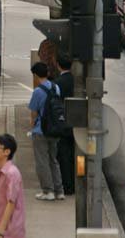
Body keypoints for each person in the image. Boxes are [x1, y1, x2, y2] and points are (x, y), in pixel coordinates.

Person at [28, 61, 64, 201]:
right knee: (53, 160)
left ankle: (47, 191)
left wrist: (32, 127)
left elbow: (34, 113)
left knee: (42, 161)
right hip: (55, 129)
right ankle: (59, 190)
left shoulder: (38, 91)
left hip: (41, 131)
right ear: (48, 73)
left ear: (36, 75)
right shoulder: (56, 88)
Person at [0, 133, 26, 238]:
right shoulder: (3, 172)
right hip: (6, 229)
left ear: (7, 152)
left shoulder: (11, 173)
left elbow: (11, 203)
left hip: (11, 231)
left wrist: (0, 232)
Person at [55, 54, 75, 195]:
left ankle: (67, 185)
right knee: (74, 154)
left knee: (63, 155)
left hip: (63, 122)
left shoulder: (58, 83)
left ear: (58, 65)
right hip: (77, 121)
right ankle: (74, 183)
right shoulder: (77, 81)